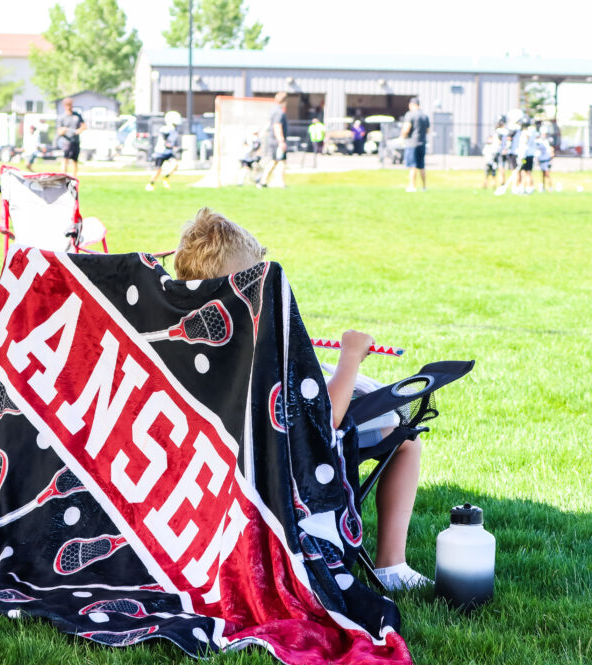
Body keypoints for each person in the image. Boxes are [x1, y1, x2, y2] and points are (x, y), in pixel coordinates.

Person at [172, 208, 429, 590]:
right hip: (284, 472)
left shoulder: (187, 343)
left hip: (225, 477)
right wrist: (350, 356)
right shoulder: (265, 347)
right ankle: (391, 565)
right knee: (405, 437)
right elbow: (322, 420)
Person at [145, 111, 183, 191]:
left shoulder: (175, 131)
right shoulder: (165, 129)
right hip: (160, 153)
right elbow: (165, 143)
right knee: (158, 170)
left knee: (175, 164)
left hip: (168, 153)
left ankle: (166, 177)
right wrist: (174, 147)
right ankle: (151, 183)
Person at [257, 91, 288, 188]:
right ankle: (279, 183)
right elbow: (277, 126)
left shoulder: (274, 109)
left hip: (274, 140)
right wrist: (281, 141)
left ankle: (264, 181)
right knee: (280, 161)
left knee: (275, 161)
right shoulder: (278, 112)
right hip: (276, 141)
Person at [399, 97, 430, 192]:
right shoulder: (425, 116)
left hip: (412, 143)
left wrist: (402, 138)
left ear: (412, 105)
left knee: (412, 165)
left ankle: (412, 186)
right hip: (422, 142)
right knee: (421, 166)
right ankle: (424, 187)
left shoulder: (410, 115)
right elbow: (427, 130)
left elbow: (406, 128)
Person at [56, 98, 87, 177]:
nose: (69, 107)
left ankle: (74, 177)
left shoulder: (77, 115)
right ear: (64, 106)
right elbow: (59, 131)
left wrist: (79, 130)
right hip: (66, 142)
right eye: (67, 105)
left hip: (75, 141)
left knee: (75, 160)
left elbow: (84, 126)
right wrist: (64, 130)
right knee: (65, 159)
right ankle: (63, 176)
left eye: (70, 105)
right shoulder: (62, 117)